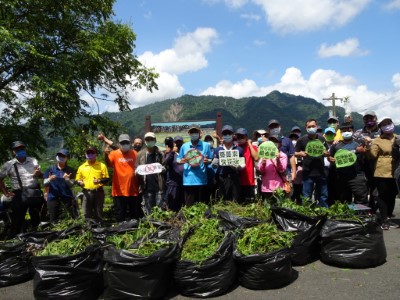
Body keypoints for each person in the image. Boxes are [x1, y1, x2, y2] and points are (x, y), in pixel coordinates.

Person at [0, 141, 44, 237]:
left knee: (37, 218)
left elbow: (41, 175)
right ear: (13, 152)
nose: (20, 150)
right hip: (19, 194)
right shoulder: (8, 165)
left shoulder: (33, 160)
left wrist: (39, 174)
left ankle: (38, 238)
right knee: (17, 220)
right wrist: (6, 192)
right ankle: (15, 241)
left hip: (34, 192)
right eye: (17, 149)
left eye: (22, 149)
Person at [366, 117, 399, 230]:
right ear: (381, 129)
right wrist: (368, 148)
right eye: (385, 125)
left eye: (390, 124)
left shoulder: (397, 138)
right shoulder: (378, 140)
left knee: (393, 194)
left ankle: (389, 216)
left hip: (396, 171)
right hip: (382, 171)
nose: (388, 126)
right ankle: (384, 219)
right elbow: (372, 156)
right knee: (383, 195)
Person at [105, 134, 143, 222]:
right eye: (122, 143)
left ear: (130, 143)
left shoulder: (135, 153)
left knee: (134, 213)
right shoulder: (114, 154)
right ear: (119, 144)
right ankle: (120, 231)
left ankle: (133, 231)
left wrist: (141, 183)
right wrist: (106, 155)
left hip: (133, 189)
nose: (125, 144)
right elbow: (108, 164)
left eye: (126, 142)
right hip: (119, 190)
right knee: (120, 213)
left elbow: (140, 169)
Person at [329, 123, 368, 205]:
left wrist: (365, 151)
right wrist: (330, 159)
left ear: (352, 131)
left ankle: (360, 215)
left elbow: (368, 153)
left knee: (361, 198)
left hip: (357, 176)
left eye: (349, 130)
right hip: (341, 176)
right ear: (341, 132)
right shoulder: (335, 146)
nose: (346, 132)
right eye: (344, 130)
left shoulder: (360, 143)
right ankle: (347, 216)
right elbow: (331, 158)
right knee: (343, 200)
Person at [295, 119, 330, 207]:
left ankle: (323, 212)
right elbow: (294, 153)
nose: (311, 128)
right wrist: (300, 153)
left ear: (317, 127)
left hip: (321, 171)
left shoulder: (322, 139)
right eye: (309, 126)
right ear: (306, 128)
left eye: (313, 126)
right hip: (308, 172)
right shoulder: (301, 140)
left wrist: (326, 154)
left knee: (323, 195)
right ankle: (308, 213)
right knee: (307, 196)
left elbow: (326, 152)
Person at [353, 111, 381, 211]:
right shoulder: (358, 133)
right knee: (360, 191)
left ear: (376, 118)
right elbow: (351, 146)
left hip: (377, 166)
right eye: (366, 118)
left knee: (376, 192)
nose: (369, 120)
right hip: (361, 166)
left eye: (371, 118)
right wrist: (358, 149)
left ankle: (373, 213)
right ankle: (360, 213)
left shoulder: (381, 132)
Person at [177, 125, 212, 206]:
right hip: (188, 179)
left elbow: (210, 159)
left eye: (196, 132)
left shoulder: (206, 145)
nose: (194, 134)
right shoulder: (184, 146)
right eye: (192, 132)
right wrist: (182, 161)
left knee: (201, 205)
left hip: (201, 179)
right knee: (189, 205)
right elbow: (178, 160)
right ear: (189, 134)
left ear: (199, 133)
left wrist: (207, 161)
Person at [76, 146, 109, 221]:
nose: (90, 154)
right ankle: (87, 230)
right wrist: (79, 183)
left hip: (98, 192)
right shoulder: (81, 167)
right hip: (86, 193)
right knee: (86, 213)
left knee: (99, 212)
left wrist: (99, 181)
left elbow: (107, 179)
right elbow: (77, 180)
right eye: (88, 153)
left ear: (96, 154)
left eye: (92, 152)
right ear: (85, 154)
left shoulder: (102, 166)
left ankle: (100, 229)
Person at [43, 149, 77, 223]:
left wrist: (67, 179)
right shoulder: (50, 169)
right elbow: (44, 183)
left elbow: (72, 185)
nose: (61, 157)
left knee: (69, 218)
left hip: (67, 197)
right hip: (53, 197)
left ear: (67, 158)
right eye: (59, 155)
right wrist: (50, 179)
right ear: (56, 156)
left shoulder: (70, 170)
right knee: (53, 218)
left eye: (63, 156)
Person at [212, 125, 244, 202]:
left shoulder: (239, 149)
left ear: (233, 135)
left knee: (235, 199)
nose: (227, 136)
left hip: (235, 177)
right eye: (225, 134)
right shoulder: (218, 150)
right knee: (223, 199)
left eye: (229, 134)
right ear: (222, 136)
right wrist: (214, 164)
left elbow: (243, 164)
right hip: (222, 177)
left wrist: (238, 167)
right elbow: (214, 164)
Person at [135, 132, 165, 214]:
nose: (149, 141)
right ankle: (150, 225)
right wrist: (137, 172)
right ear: (145, 141)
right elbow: (137, 168)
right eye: (148, 139)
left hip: (159, 186)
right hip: (146, 187)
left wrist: (163, 169)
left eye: (151, 139)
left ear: (155, 140)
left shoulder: (160, 153)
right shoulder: (140, 154)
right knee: (148, 211)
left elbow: (165, 167)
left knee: (159, 210)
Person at [258, 132, 288, 201]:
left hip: (279, 187)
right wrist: (263, 163)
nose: (274, 143)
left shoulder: (283, 155)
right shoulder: (264, 154)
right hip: (266, 187)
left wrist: (278, 160)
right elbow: (261, 170)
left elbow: (282, 170)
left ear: (280, 144)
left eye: (276, 141)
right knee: (268, 207)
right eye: (272, 141)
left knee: (279, 207)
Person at [235, 128, 258, 203]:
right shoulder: (235, 148)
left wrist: (250, 144)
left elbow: (256, 157)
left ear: (246, 137)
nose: (240, 139)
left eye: (242, 137)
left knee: (249, 203)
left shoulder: (251, 147)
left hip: (249, 181)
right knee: (239, 203)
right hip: (237, 180)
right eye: (238, 137)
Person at [164, 136, 184, 211]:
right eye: (177, 142)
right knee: (172, 204)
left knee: (181, 203)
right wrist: (172, 152)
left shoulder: (184, 153)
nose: (178, 144)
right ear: (174, 143)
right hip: (173, 183)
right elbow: (166, 162)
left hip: (183, 183)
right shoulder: (170, 153)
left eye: (180, 142)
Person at [323, 127, 338, 205]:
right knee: (325, 190)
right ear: (325, 135)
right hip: (324, 170)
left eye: (331, 134)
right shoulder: (322, 145)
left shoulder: (338, 145)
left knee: (334, 189)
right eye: (328, 134)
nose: (329, 135)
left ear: (334, 135)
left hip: (335, 170)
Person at [289, 132, 303, 204]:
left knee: (300, 191)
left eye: (295, 138)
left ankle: (299, 203)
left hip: (300, 173)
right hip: (291, 172)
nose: (293, 140)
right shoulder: (288, 149)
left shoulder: (301, 148)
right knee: (292, 191)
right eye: (292, 138)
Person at [204, 134, 217, 202]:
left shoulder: (216, 150)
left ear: (213, 142)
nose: (208, 142)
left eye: (210, 140)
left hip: (215, 175)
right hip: (206, 175)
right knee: (206, 194)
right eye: (206, 141)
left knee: (215, 193)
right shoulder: (203, 151)